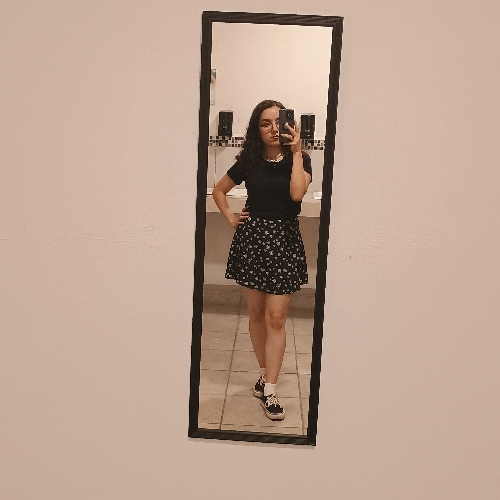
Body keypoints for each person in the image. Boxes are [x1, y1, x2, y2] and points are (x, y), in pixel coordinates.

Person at [212, 100, 312, 420]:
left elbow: (296, 194)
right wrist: (231, 218)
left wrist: (297, 151)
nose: (273, 129)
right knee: (256, 314)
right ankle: (264, 374)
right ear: (257, 129)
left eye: (278, 122)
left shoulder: (301, 159)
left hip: (284, 241)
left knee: (276, 318)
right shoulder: (250, 160)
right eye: (265, 123)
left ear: (288, 124)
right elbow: (219, 190)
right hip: (254, 240)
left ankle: (270, 390)